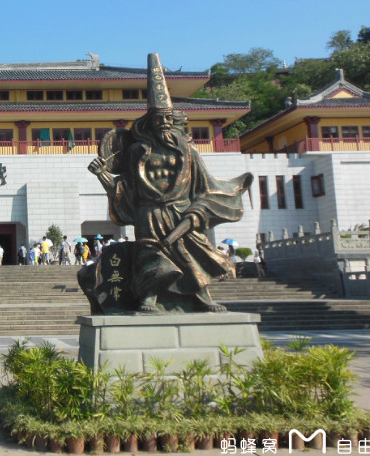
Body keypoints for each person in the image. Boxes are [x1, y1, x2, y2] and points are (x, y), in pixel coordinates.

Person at [88, 53, 253, 313]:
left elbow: (203, 185)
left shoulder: (188, 152)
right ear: (149, 122)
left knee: (190, 253)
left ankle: (201, 297)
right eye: (159, 118)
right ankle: (148, 297)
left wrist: (197, 210)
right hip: (149, 212)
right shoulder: (137, 151)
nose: (164, 123)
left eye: (168, 118)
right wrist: (101, 175)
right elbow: (124, 190)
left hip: (181, 208)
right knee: (151, 254)